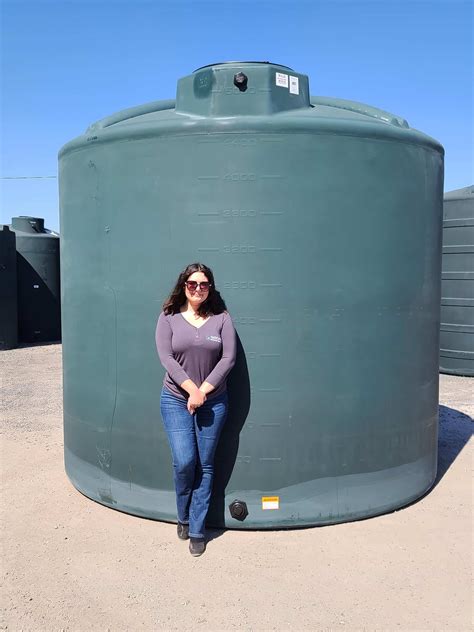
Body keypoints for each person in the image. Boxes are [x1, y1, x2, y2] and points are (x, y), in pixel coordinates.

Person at [155, 263, 237, 556]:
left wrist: (204, 391)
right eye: (193, 284)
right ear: (184, 286)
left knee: (206, 463)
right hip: (176, 399)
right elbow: (166, 357)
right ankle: (183, 514)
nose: (198, 289)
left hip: (213, 401)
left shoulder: (222, 320)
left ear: (210, 287)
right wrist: (191, 389)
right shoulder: (169, 318)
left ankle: (197, 529)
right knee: (185, 460)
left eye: (204, 284)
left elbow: (228, 359)